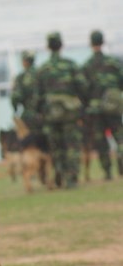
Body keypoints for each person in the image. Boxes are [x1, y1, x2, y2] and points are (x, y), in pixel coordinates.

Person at [34, 32, 88, 188]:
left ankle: (59, 173)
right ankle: (72, 179)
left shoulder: (43, 69)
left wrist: (40, 112)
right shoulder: (71, 65)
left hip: (51, 114)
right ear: (61, 45)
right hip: (70, 114)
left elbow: (37, 96)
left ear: (48, 47)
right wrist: (82, 108)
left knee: (56, 148)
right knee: (72, 146)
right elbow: (82, 88)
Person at [81, 30, 123, 180]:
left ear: (91, 43)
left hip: (96, 110)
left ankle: (107, 172)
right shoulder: (114, 63)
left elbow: (83, 90)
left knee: (101, 141)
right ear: (103, 42)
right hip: (113, 107)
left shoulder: (87, 66)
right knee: (120, 137)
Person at [11, 50, 41, 134]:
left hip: (28, 117)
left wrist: (15, 110)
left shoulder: (21, 78)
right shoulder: (42, 73)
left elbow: (15, 97)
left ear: (24, 61)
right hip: (46, 115)